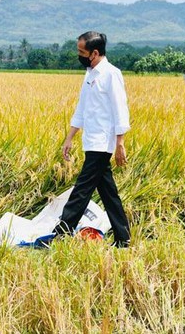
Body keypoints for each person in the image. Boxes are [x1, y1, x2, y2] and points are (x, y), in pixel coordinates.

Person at [53, 31, 132, 247]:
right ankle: (123, 238)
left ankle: (61, 233)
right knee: (108, 193)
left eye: (82, 51)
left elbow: (120, 110)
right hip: (91, 140)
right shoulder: (90, 74)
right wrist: (69, 138)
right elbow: (82, 109)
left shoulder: (111, 74)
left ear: (94, 53)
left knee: (82, 189)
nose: (78, 55)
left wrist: (120, 143)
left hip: (103, 142)